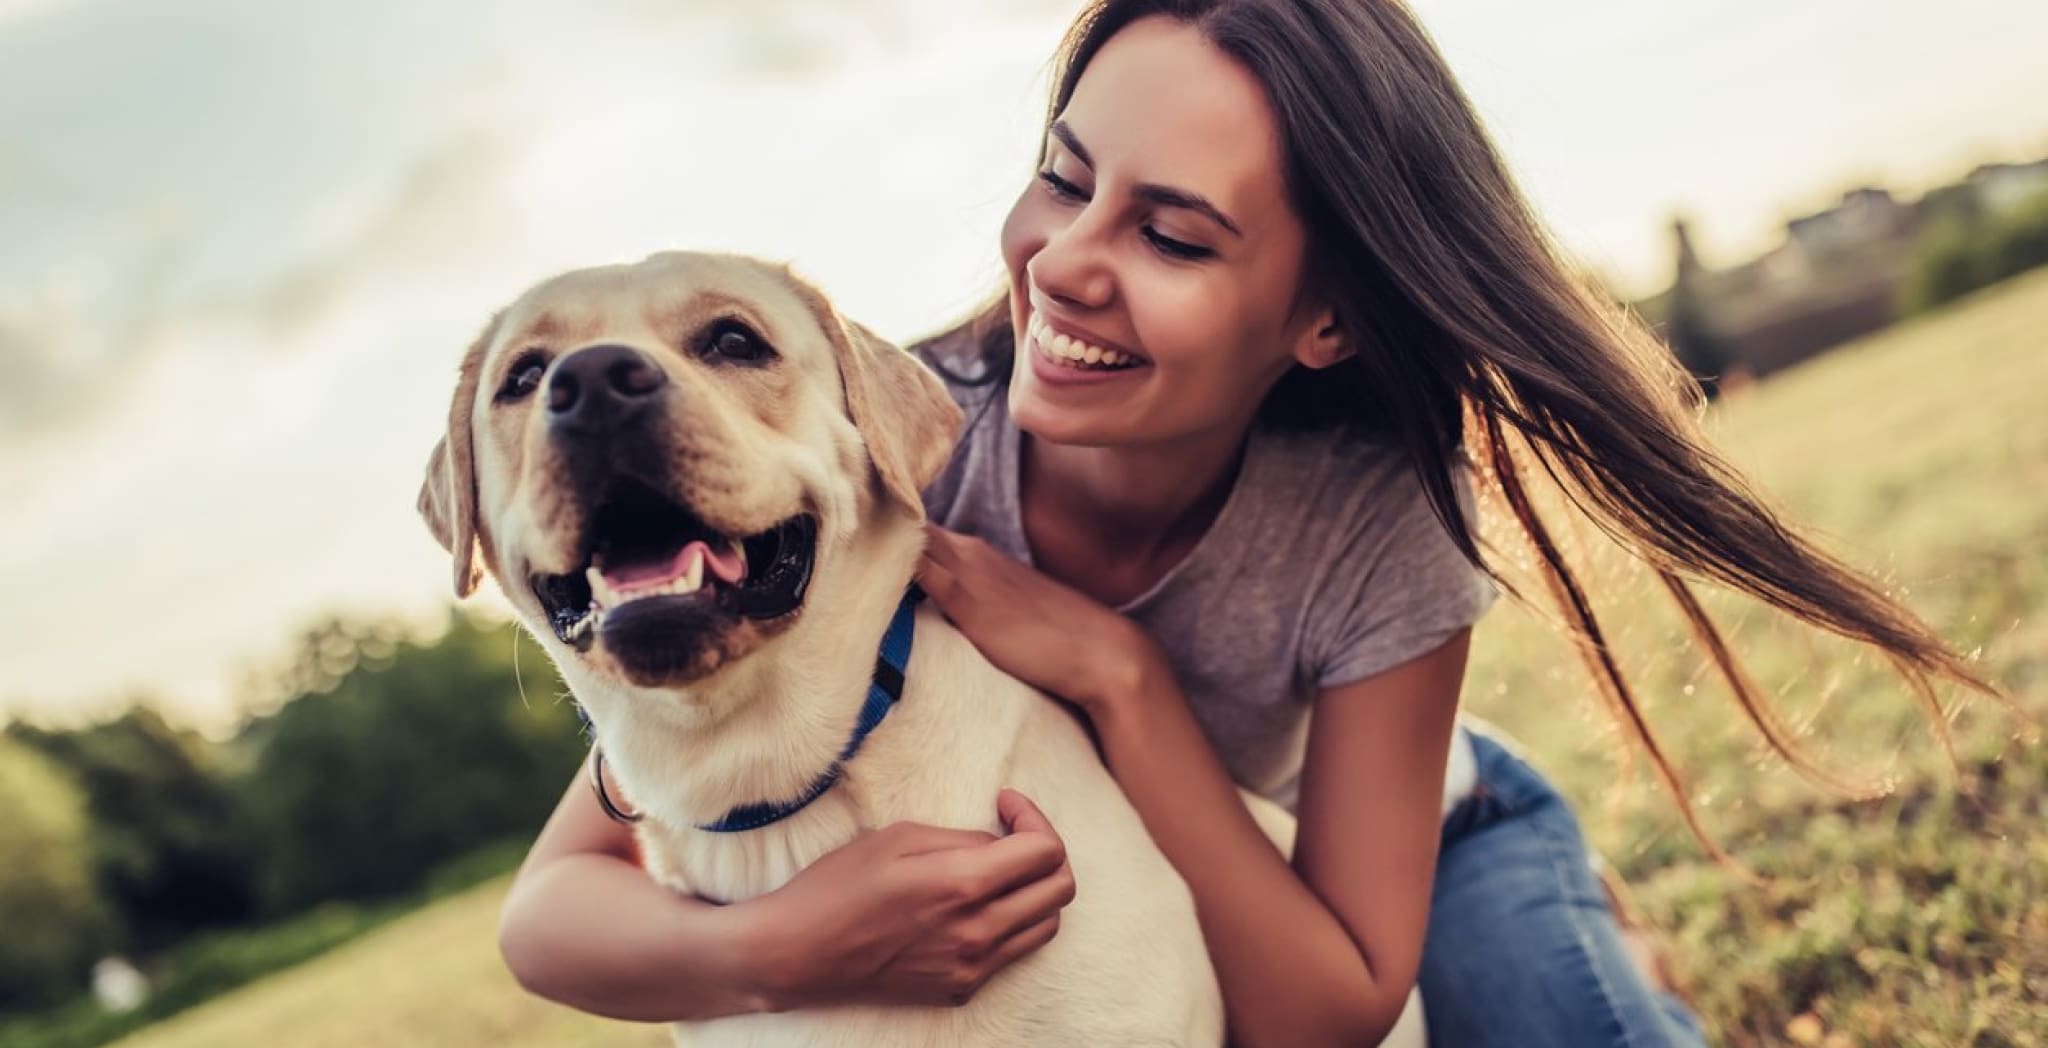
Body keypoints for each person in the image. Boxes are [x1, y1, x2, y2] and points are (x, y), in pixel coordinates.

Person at [498, 2, 1994, 1045]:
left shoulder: (1376, 519)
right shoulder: (882, 452)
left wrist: (1121, 678)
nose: (1063, 267)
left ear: (1324, 315)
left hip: (1413, 855)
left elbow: (1321, 1010)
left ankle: (1591, 934)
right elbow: (558, 904)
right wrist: (786, 947)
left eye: (1171, 234)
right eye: (1063, 181)